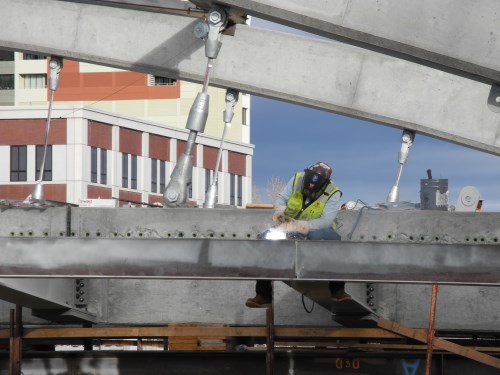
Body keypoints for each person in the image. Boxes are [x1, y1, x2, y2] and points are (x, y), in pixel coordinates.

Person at [245, 161, 352, 308]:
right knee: (266, 240)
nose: (310, 188)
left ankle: (338, 291)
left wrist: (304, 226)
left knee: (333, 242)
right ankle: (263, 295)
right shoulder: (297, 178)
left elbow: (326, 220)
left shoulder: (333, 191)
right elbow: (282, 198)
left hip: (317, 228)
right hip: (290, 224)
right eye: (308, 184)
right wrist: (280, 212)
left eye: (315, 187)